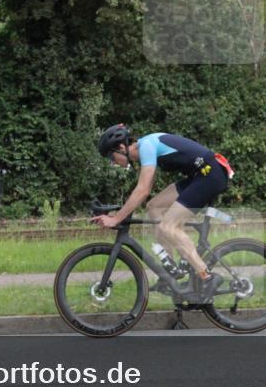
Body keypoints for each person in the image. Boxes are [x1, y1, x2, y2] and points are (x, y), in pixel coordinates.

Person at [93, 124, 234, 302]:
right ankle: (171, 271)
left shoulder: (147, 147)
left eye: (111, 157)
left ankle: (206, 277)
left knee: (169, 226)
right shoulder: (146, 146)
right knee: (154, 207)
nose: (112, 162)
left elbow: (142, 190)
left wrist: (116, 219)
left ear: (121, 148)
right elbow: (145, 192)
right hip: (199, 175)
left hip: (210, 175)